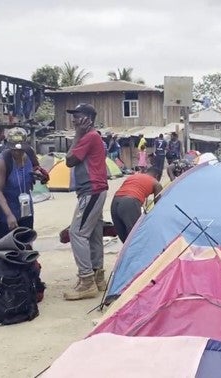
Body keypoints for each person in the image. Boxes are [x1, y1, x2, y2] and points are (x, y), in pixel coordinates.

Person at [64, 103, 108, 301]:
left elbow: (69, 160)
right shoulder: (93, 136)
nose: (74, 120)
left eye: (77, 115)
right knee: (93, 234)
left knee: (77, 233)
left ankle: (87, 280)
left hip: (91, 190)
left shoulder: (89, 137)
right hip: (95, 190)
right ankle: (98, 275)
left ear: (88, 119)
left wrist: (77, 135)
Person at [0, 128, 35, 241]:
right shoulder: (2, 161)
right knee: (8, 250)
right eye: (14, 149)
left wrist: (40, 176)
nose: (17, 152)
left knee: (26, 247)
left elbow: (36, 170)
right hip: (6, 214)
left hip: (26, 211)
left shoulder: (30, 154)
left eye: (21, 149)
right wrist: (9, 215)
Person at [111, 167, 163, 243]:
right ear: (157, 176)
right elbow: (158, 206)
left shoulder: (133, 176)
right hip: (130, 202)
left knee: (125, 238)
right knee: (136, 236)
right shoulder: (156, 183)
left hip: (115, 202)